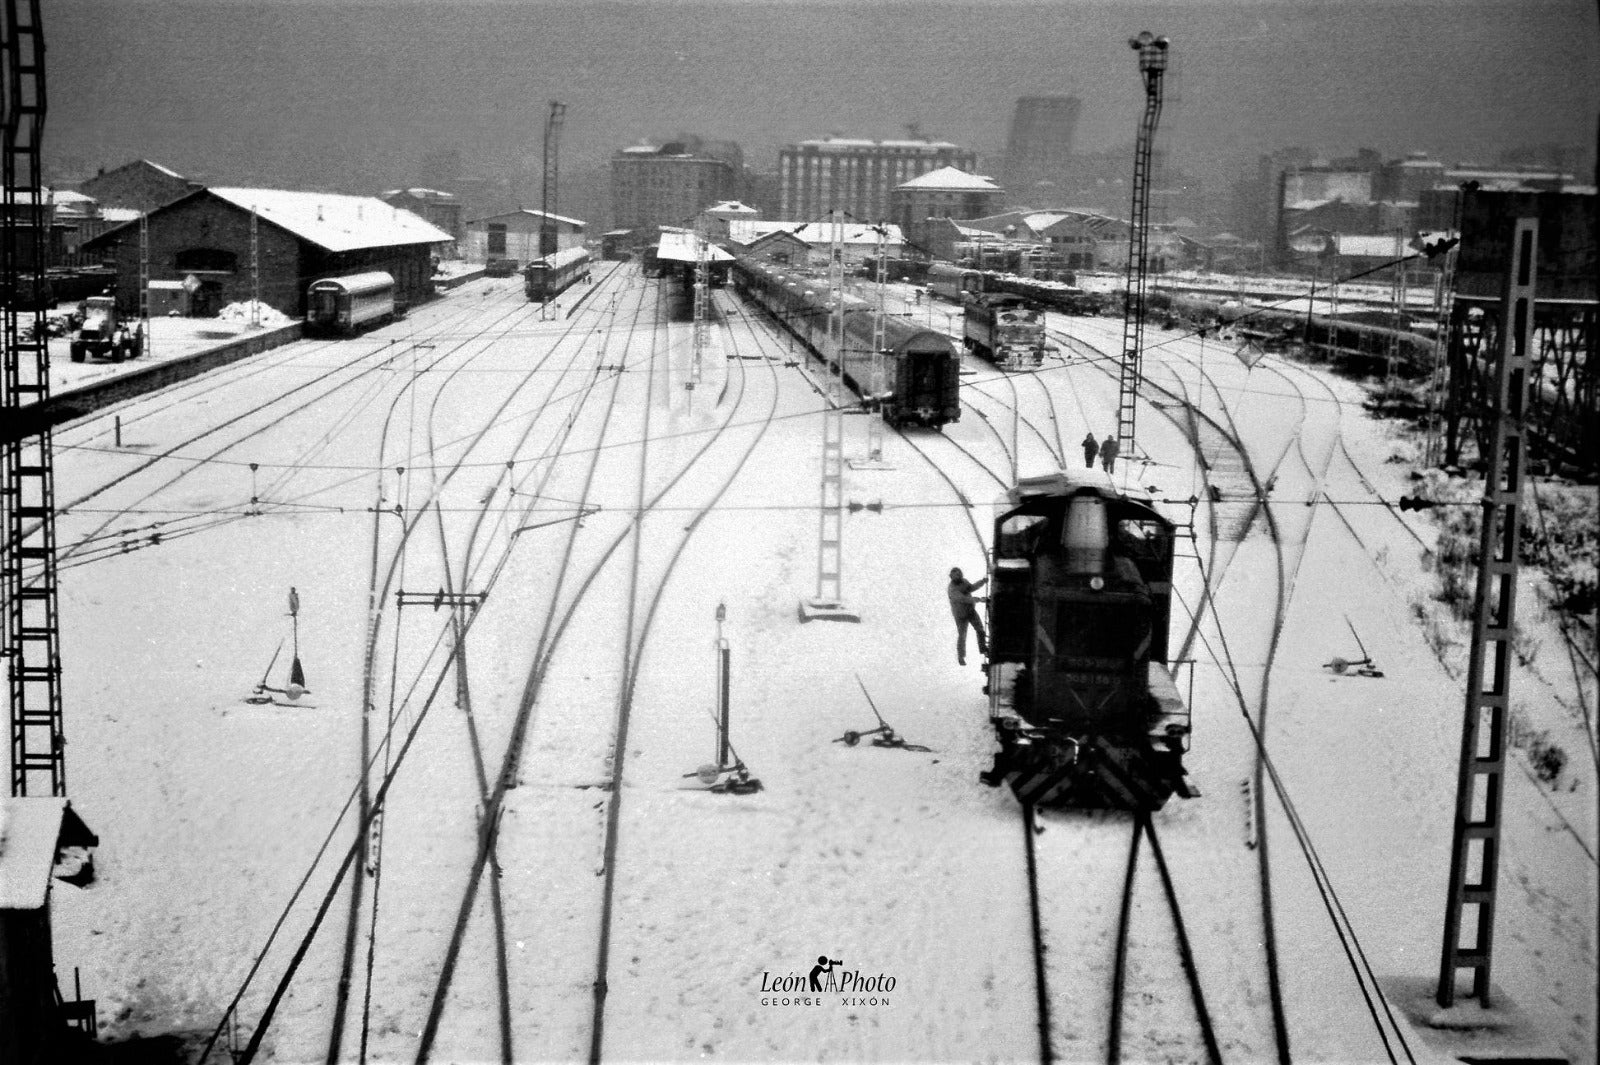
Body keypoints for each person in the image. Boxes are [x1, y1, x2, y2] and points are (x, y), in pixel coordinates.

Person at [948, 567, 988, 666]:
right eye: (957, 575)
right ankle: (961, 656)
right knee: (962, 635)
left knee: (980, 629)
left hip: (970, 611)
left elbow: (971, 588)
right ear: (952, 577)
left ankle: (983, 649)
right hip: (960, 616)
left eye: (960, 574)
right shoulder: (952, 589)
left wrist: (982, 582)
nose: (959, 576)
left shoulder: (964, 581)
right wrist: (978, 599)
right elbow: (964, 599)